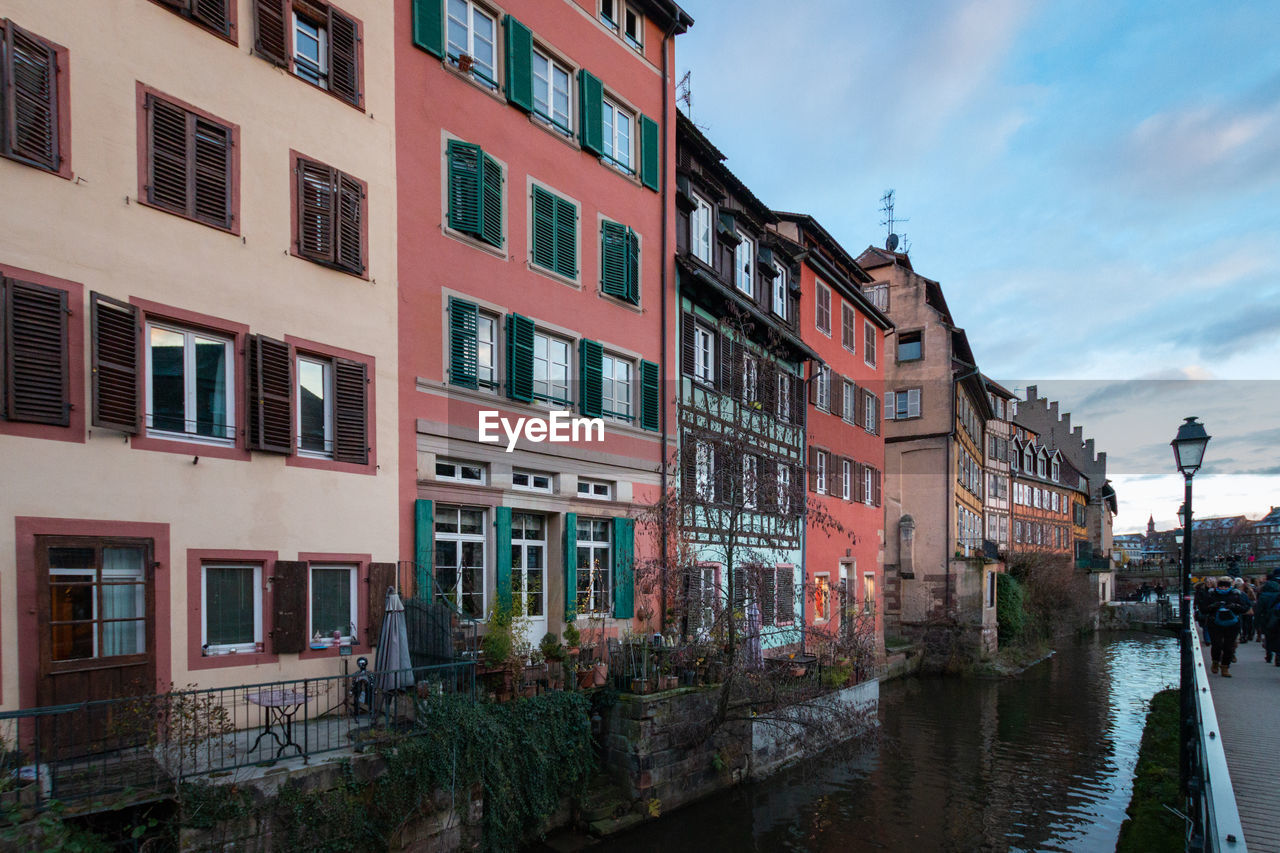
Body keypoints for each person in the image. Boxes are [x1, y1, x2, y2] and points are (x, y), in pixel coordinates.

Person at [1205, 575, 1251, 676]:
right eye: (1221, 586)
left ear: (1230, 586)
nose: (1223, 588)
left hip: (1232, 623)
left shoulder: (1237, 594)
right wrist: (1213, 606)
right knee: (1216, 645)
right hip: (1215, 623)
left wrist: (1235, 606)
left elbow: (1245, 607)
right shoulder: (1211, 594)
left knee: (1229, 646)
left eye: (1226, 586)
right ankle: (1215, 661)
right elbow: (1204, 608)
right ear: (1218, 586)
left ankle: (1225, 667)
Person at [1256, 569, 1280, 665]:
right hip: (1275, 617)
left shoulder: (1263, 595)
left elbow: (1259, 609)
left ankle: (1269, 654)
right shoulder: (1277, 595)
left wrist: (1257, 623)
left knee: (1269, 636)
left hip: (1268, 618)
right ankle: (1278, 655)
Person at [1235, 578, 1256, 644]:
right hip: (1243, 609)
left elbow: (1252, 599)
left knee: (1245, 623)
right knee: (1245, 623)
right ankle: (1245, 635)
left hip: (1244, 609)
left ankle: (1245, 635)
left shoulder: (1246, 591)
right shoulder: (1241, 593)